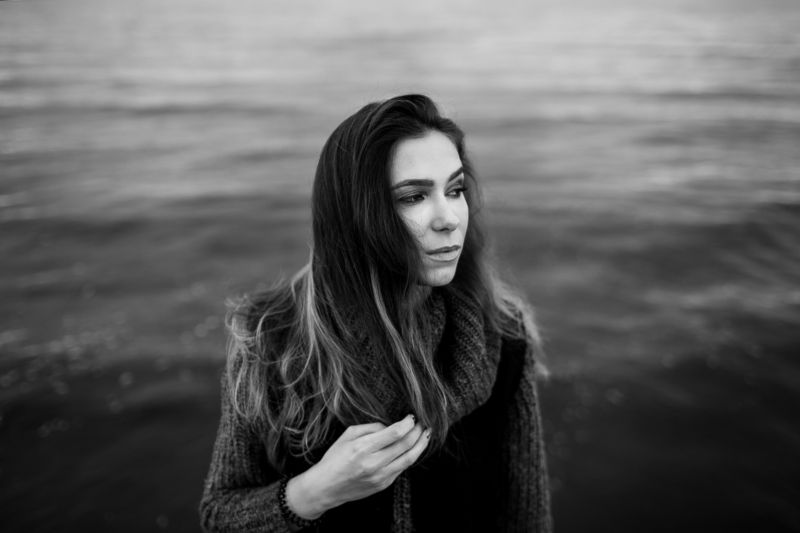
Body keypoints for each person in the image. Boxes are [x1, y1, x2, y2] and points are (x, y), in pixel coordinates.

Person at [199, 94, 552, 532]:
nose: (449, 218)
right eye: (413, 197)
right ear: (355, 216)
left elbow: (527, 515)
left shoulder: (502, 331)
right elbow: (219, 514)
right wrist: (315, 491)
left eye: (455, 189)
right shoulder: (272, 339)